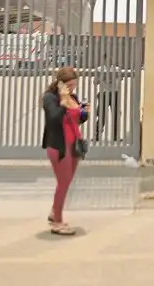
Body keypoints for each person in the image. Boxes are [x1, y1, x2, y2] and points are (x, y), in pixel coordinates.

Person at [41, 66, 90, 235]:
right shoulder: (50, 98)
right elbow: (53, 119)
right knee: (63, 183)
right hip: (58, 146)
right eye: (68, 85)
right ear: (60, 83)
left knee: (67, 182)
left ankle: (55, 211)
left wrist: (84, 112)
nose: (72, 88)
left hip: (74, 145)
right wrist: (63, 101)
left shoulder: (73, 97)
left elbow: (77, 120)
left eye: (74, 85)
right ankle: (57, 222)